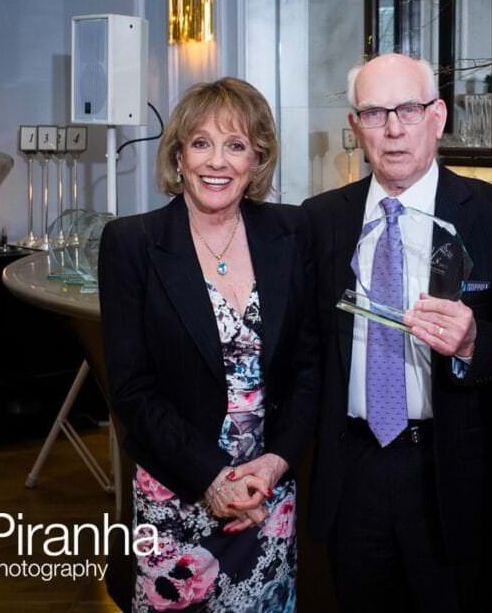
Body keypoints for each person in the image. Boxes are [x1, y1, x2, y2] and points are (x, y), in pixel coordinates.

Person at [99, 77, 318, 612]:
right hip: (179, 494)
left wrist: (272, 467)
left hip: (268, 496)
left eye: (236, 145)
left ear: (257, 159)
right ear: (178, 156)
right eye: (201, 143)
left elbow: (311, 365)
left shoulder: (291, 232)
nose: (217, 161)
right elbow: (131, 388)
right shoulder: (133, 243)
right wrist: (213, 478)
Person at [301, 53, 492, 613]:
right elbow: (304, 354)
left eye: (408, 110)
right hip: (353, 473)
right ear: (355, 127)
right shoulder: (319, 221)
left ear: (438, 117)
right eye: (374, 113)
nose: (392, 129)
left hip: (450, 476)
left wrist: (472, 344)